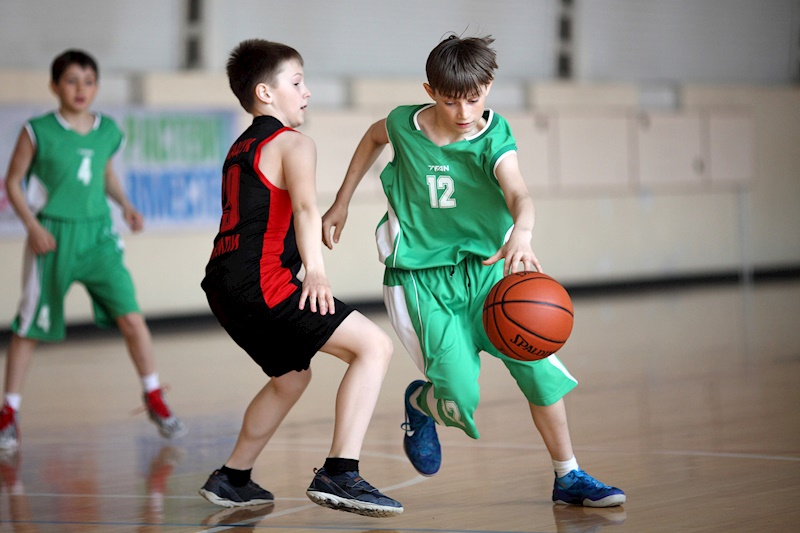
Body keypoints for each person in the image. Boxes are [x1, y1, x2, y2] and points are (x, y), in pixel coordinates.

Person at [322, 34, 626, 508]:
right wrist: (341, 201)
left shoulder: (494, 136)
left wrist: (522, 232)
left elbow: (519, 192)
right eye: (450, 100)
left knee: (540, 372)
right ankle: (421, 402)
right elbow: (373, 137)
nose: (465, 112)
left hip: (489, 274)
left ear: (488, 86)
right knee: (460, 396)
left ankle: (569, 476)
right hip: (422, 281)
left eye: (475, 97)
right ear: (430, 90)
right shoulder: (405, 124)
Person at [196, 39, 402, 518]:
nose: (306, 91)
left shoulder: (241, 146)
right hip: (262, 282)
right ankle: (340, 472)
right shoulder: (293, 142)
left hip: (223, 285)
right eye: (297, 82)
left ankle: (233, 477)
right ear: (266, 93)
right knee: (374, 347)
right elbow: (306, 207)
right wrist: (317, 272)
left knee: (290, 377)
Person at [0, 49, 186, 451]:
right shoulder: (36, 131)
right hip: (52, 235)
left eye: (88, 81)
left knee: (132, 318)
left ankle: (153, 395)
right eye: (71, 80)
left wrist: (126, 205)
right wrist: (31, 226)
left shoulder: (108, 131)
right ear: (54, 86)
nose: (80, 89)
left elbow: (104, 174)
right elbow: (13, 182)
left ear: (97, 87)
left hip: (99, 236)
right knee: (29, 327)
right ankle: (9, 412)